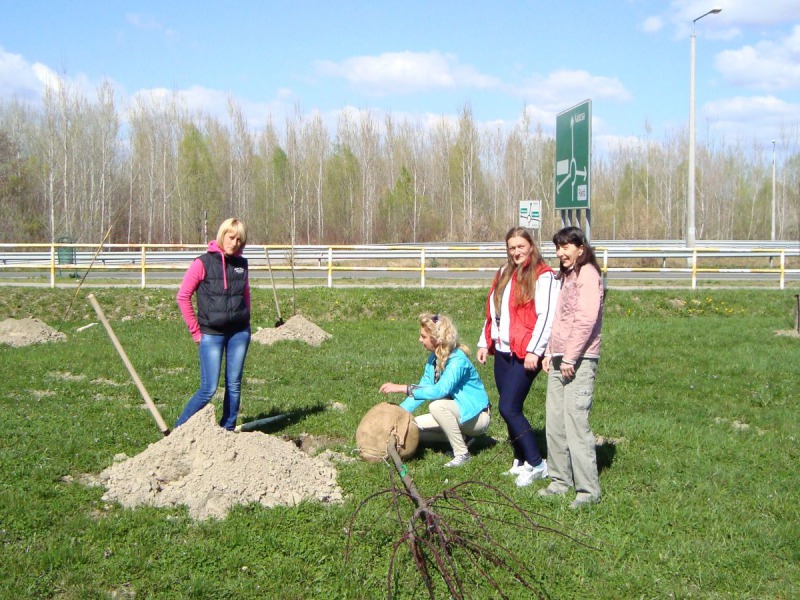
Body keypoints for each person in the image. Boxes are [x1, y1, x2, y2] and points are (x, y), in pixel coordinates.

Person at [476, 226, 559, 487]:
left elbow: (546, 317)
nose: (516, 252)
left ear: (531, 247)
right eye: (511, 248)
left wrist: (536, 350)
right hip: (502, 350)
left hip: (526, 353)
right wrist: (484, 342)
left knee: (508, 407)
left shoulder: (543, 276)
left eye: (521, 246)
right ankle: (520, 459)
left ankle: (537, 463)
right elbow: (494, 311)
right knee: (510, 406)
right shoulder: (503, 273)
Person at [540, 226, 604, 509]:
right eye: (558, 247)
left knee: (575, 424)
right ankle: (559, 481)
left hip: (579, 360)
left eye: (566, 246)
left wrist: (570, 357)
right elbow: (561, 318)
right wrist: (549, 351)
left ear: (580, 248)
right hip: (559, 357)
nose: (560, 253)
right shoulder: (567, 276)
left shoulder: (588, 274)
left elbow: (585, 320)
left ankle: (588, 491)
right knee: (554, 422)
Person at [380, 312, 491, 467]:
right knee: (411, 426)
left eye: (423, 336)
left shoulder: (457, 360)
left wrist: (402, 388)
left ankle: (462, 454)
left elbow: (440, 391)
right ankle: (465, 440)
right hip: (457, 414)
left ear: (437, 338)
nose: (420, 340)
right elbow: (422, 389)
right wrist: (398, 416)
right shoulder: (433, 359)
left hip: (476, 417)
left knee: (437, 405)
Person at [174, 218, 252, 431]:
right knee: (208, 389)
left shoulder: (241, 264)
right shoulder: (203, 263)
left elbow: (245, 295)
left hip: (239, 333)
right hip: (211, 333)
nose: (234, 243)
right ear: (222, 235)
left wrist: (246, 321)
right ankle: (179, 430)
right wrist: (196, 333)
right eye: (231, 237)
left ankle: (227, 430)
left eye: (239, 239)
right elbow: (183, 296)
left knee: (234, 385)